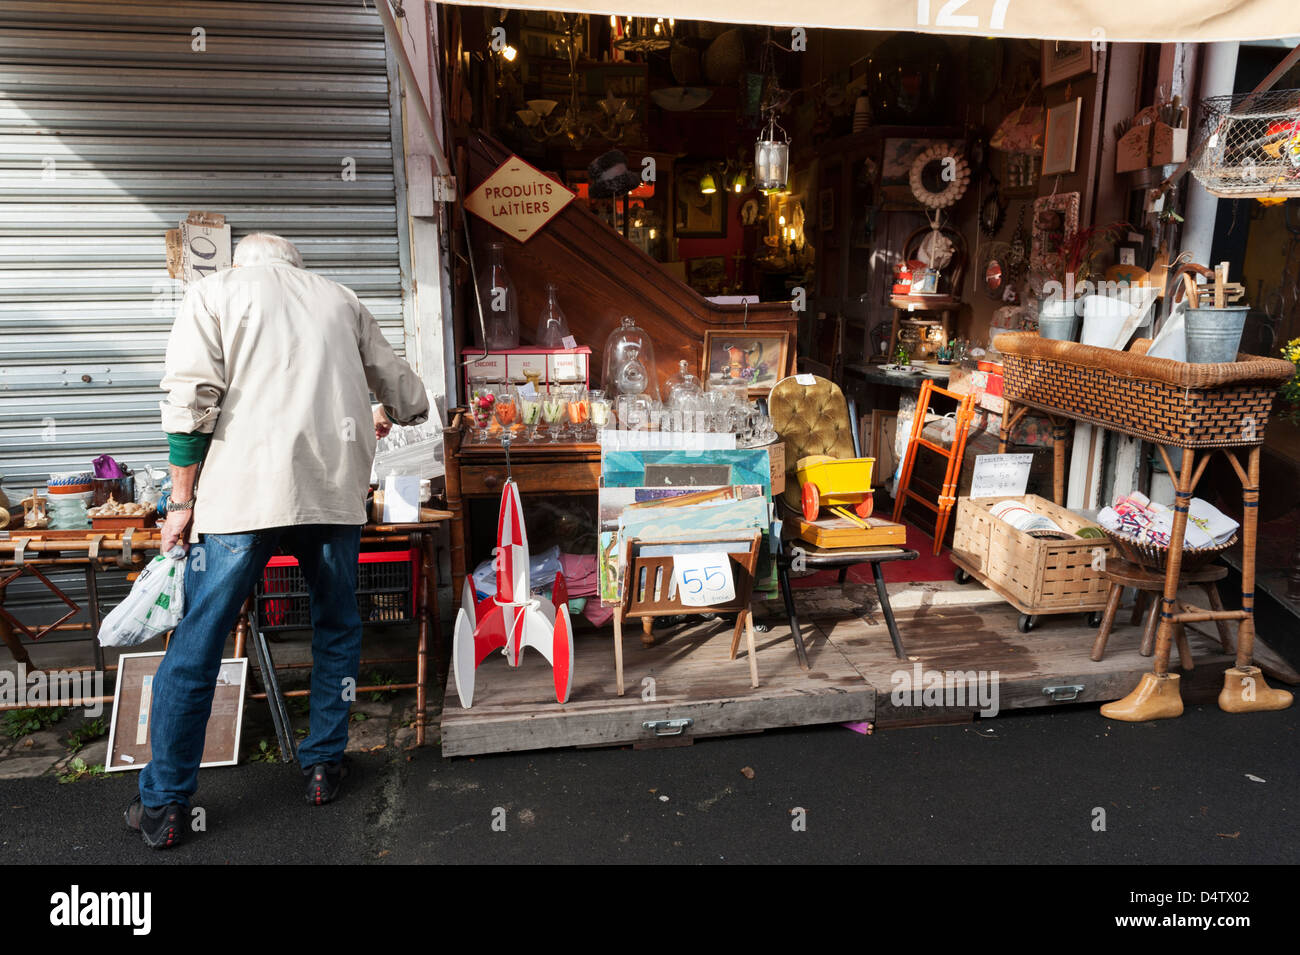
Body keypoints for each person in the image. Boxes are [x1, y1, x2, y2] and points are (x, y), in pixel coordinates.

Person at [124, 233, 429, 849]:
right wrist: (388, 415)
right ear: (297, 264)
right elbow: (409, 395)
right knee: (337, 627)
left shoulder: (214, 293)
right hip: (330, 498)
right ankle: (322, 765)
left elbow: (190, 402)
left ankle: (164, 807)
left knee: (197, 643)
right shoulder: (340, 299)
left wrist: (180, 503)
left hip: (240, 501)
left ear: (243, 263)